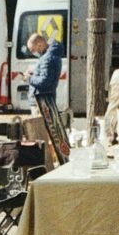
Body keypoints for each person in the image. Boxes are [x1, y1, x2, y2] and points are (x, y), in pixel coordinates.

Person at [24, 32, 70, 161]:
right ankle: (49, 159)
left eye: (33, 50)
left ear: (40, 44)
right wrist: (35, 73)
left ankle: (46, 160)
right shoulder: (49, 56)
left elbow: (45, 82)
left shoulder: (47, 58)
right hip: (43, 99)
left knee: (41, 134)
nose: (33, 53)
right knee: (47, 133)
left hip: (41, 101)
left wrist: (30, 78)